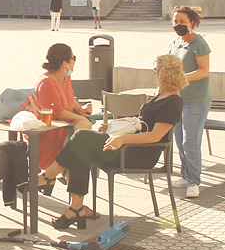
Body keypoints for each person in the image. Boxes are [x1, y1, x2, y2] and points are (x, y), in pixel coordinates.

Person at [48, 54, 185, 229]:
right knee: (81, 151)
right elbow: (141, 125)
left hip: (140, 155)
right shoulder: (160, 94)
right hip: (130, 147)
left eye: (156, 70)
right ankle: (76, 208)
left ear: (165, 74)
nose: (154, 72)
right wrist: (114, 129)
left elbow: (155, 136)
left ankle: (48, 176)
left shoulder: (173, 102)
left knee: (82, 137)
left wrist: (122, 139)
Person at [27, 43, 95, 187]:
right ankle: (53, 173)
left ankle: (73, 204)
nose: (75, 61)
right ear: (65, 63)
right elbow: (58, 113)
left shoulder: (65, 78)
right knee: (83, 131)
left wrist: (80, 108)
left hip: (64, 131)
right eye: (73, 58)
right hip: (47, 135)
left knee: (79, 152)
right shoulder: (46, 83)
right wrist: (82, 118)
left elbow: (70, 97)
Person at [169, 5, 212, 198]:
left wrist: (182, 79)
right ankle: (185, 175)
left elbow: (204, 71)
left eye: (182, 22)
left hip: (196, 99)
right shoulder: (175, 42)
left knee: (190, 141)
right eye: (175, 21)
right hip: (177, 99)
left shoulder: (199, 43)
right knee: (179, 139)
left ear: (192, 23)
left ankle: (194, 181)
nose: (178, 25)